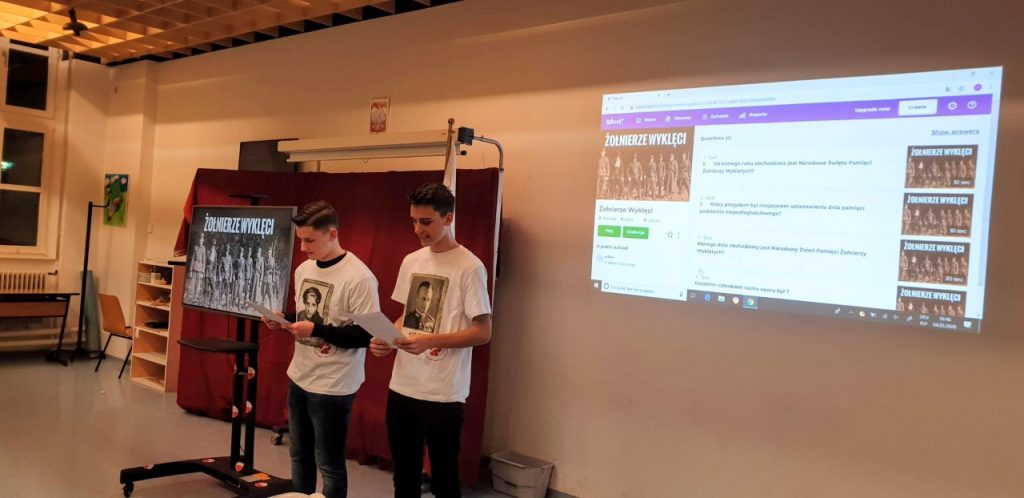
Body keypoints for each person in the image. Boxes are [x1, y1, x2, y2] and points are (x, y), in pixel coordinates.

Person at [369, 183, 492, 498]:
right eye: (413, 221)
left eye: (426, 222)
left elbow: (483, 332)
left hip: (443, 392)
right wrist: (387, 338)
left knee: (444, 480)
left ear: (448, 218)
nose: (417, 229)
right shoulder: (412, 261)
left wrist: (430, 340)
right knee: (404, 477)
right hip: (403, 385)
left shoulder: (469, 267)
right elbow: (405, 317)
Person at [261, 200, 380, 498]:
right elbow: (308, 316)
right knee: (299, 456)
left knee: (328, 464)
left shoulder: (359, 277)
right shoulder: (304, 269)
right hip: (300, 376)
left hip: (333, 385)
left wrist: (316, 330)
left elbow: (366, 334)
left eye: (310, 240)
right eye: (301, 240)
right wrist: (283, 319)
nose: (303, 248)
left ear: (332, 234)